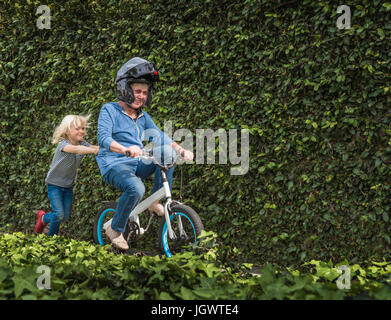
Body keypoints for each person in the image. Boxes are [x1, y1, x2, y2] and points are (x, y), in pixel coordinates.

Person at [96, 57, 193, 250]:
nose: (141, 96)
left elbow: (159, 136)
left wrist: (181, 150)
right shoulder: (109, 110)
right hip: (114, 164)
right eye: (137, 91)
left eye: (145, 92)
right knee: (137, 189)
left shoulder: (143, 116)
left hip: (137, 162)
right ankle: (115, 229)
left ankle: (154, 202)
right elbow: (103, 139)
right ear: (125, 89)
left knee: (166, 153)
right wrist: (124, 149)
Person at [35, 115, 99, 236]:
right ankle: (51, 240)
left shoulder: (83, 144)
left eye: (83, 128)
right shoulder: (63, 144)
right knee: (59, 214)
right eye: (78, 128)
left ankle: (43, 218)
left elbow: (93, 147)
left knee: (64, 217)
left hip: (68, 186)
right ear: (67, 130)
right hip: (54, 185)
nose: (82, 131)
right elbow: (76, 149)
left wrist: (114, 150)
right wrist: (94, 151)